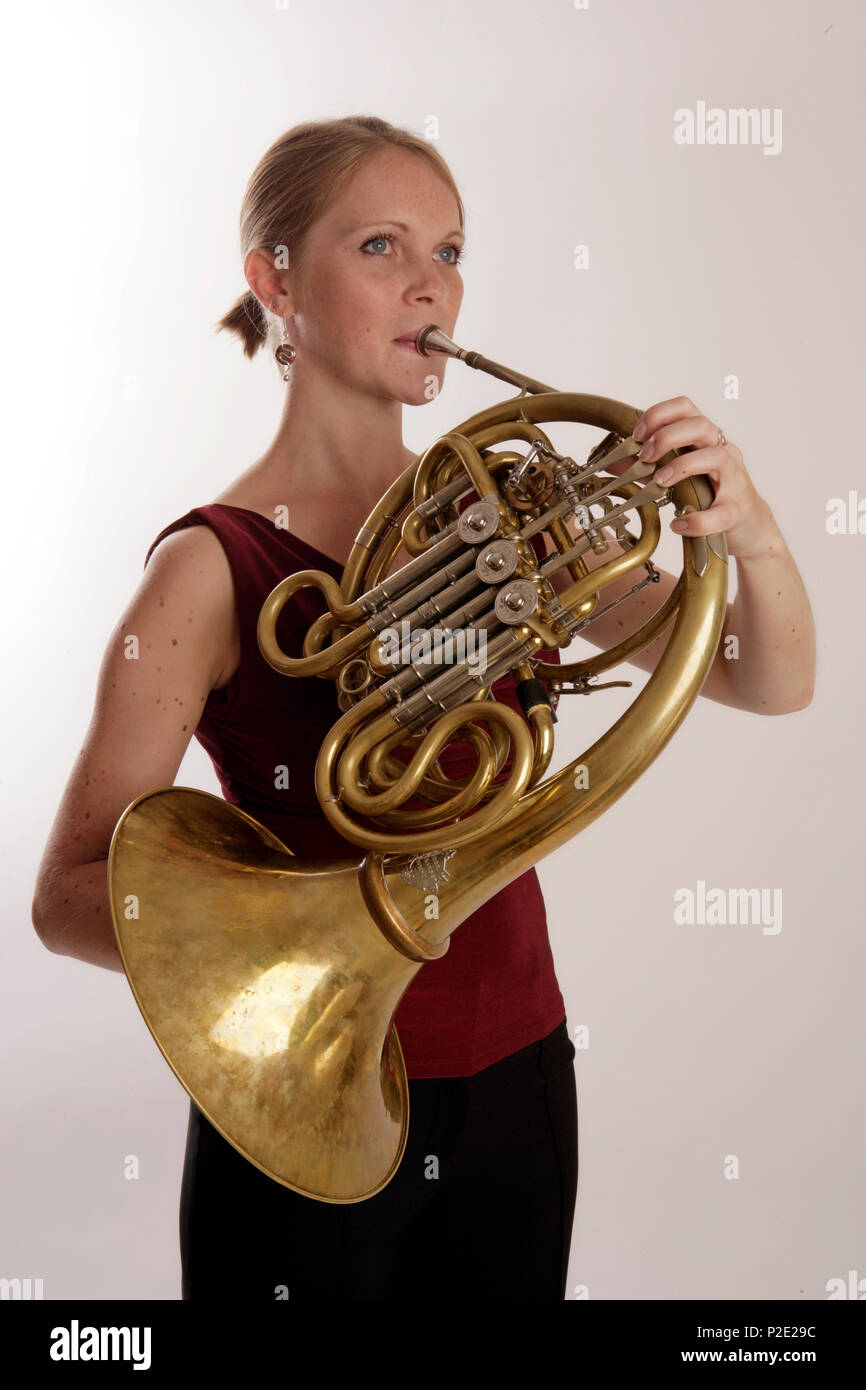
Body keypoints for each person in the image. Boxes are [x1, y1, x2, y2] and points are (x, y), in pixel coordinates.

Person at [31, 115, 815, 1302]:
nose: (431, 287)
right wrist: (272, 951)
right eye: (383, 246)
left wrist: (745, 526)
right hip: (291, 1101)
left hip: (517, 1075)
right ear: (272, 281)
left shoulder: (504, 515)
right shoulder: (206, 569)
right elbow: (68, 895)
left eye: (450, 252)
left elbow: (768, 675)